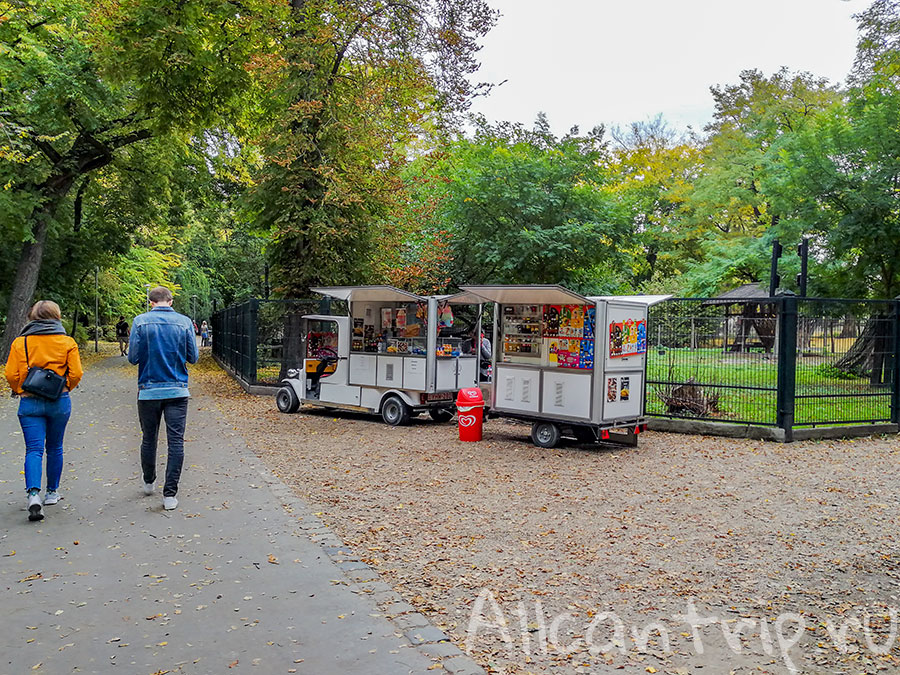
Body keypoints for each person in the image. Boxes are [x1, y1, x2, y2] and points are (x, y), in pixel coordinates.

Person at [5, 300, 83, 521]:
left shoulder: (21, 343)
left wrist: (20, 389)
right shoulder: (67, 342)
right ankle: (52, 492)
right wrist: (65, 387)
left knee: (33, 449)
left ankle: (33, 495)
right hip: (59, 401)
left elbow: (10, 374)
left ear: (33, 317)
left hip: (29, 401)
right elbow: (76, 373)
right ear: (56, 316)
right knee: (55, 447)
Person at [128, 286, 198, 510]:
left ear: (151, 302)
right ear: (170, 301)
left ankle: (149, 481)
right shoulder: (185, 322)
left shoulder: (140, 322)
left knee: (149, 438)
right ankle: (170, 495)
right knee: (176, 441)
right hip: (177, 390)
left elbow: (133, 358)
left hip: (148, 390)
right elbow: (193, 357)